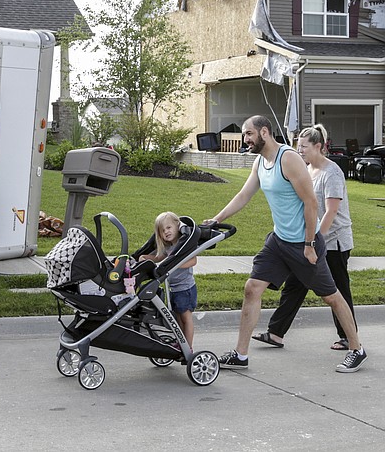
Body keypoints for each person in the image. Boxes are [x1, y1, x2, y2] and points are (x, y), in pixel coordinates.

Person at [204, 115, 366, 373]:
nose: (245, 139)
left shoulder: (288, 159)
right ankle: (241, 354)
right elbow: (244, 194)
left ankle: (357, 348)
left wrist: (310, 243)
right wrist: (216, 218)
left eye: (248, 134)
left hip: (303, 243)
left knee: (331, 296)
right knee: (252, 287)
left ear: (264, 132)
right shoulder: (261, 161)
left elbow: (311, 203)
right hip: (279, 240)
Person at [252, 124, 356, 351]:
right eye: (298, 146)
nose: (299, 151)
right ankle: (276, 333)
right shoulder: (307, 170)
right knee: (294, 286)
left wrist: (315, 241)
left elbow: (330, 211)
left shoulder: (332, 173)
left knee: (337, 290)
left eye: (304, 147)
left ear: (319, 147)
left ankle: (349, 338)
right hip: (307, 240)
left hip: (333, 242)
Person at [139, 211, 197, 350]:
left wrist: (174, 264)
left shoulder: (184, 246)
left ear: (178, 226)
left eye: (169, 228)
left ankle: (188, 347)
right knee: (178, 319)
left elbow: (193, 261)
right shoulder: (169, 247)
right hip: (174, 288)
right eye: (163, 230)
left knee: (186, 318)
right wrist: (145, 258)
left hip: (185, 288)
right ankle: (181, 344)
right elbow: (159, 257)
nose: (166, 232)